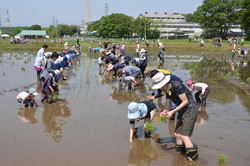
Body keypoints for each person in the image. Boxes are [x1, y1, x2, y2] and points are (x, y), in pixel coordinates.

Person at [151, 72, 198, 161]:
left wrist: (172, 112)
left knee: (184, 135)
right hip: (181, 110)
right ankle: (179, 154)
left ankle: (193, 158)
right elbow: (168, 103)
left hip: (190, 109)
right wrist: (164, 111)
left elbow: (185, 101)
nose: (160, 88)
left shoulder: (177, 86)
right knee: (177, 134)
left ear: (165, 83)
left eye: (160, 86)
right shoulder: (166, 89)